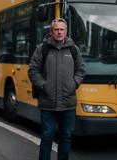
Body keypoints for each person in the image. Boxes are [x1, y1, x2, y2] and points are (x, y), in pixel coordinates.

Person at [28, 18, 85, 160]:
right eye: (56, 29)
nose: (59, 32)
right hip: (48, 102)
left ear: (66, 31)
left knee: (66, 137)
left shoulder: (73, 49)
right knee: (47, 136)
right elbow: (33, 70)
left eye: (62, 29)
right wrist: (43, 85)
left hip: (68, 102)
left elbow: (81, 70)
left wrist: (74, 84)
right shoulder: (43, 49)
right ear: (51, 31)